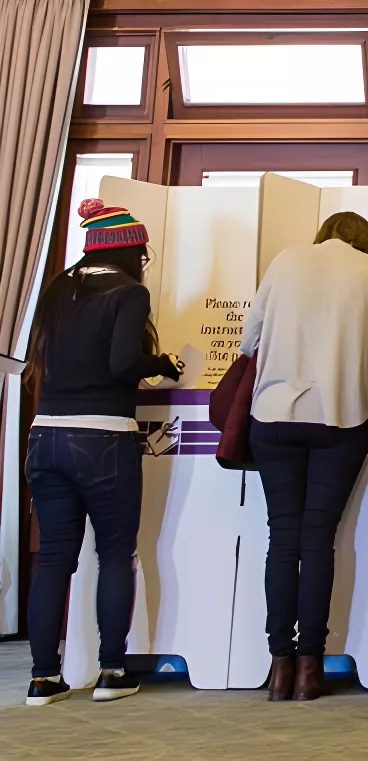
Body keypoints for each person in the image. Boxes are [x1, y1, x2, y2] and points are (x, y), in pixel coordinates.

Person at [21, 200, 182, 706]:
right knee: (115, 553)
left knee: (53, 561)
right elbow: (119, 365)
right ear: (133, 250)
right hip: (103, 438)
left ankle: (43, 679)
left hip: (44, 436)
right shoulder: (129, 292)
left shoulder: (57, 290)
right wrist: (161, 363)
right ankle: (113, 672)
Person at [238, 212, 368, 701]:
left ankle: (279, 666)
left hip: (272, 416)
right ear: (366, 240)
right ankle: (311, 668)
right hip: (340, 419)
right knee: (319, 541)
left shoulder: (285, 261)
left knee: (281, 540)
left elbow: (249, 341)